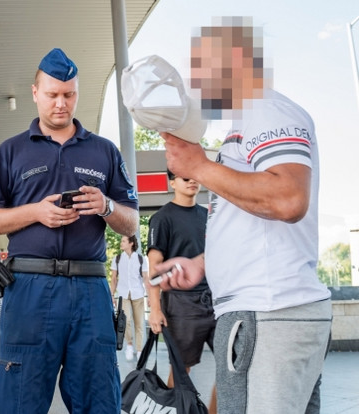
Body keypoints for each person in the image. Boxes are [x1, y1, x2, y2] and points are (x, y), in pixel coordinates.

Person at [156, 17, 332, 414]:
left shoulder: (266, 110)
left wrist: (198, 166)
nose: (195, 80)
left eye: (201, 67)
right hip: (270, 313)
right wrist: (204, 264)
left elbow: (288, 198)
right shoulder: (248, 122)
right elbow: (256, 215)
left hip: (270, 313)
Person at [0, 48, 139, 413]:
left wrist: (107, 207)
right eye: (52, 95)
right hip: (29, 290)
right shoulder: (11, 152)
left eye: (69, 95)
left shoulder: (105, 152)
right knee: (19, 402)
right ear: (35, 93)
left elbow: (132, 222)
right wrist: (36, 212)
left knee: (100, 400)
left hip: (90, 290)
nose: (61, 104)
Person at [147, 169, 217, 411]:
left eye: (195, 175)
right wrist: (155, 310)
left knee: (232, 367)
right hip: (181, 305)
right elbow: (154, 270)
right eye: (185, 177)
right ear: (172, 182)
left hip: (216, 301)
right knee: (181, 370)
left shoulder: (209, 216)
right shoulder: (162, 218)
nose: (192, 180)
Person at [109, 234, 148, 362]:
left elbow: (146, 279)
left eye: (124, 241)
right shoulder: (117, 259)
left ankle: (139, 349)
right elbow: (114, 279)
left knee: (139, 323)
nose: (121, 243)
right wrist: (111, 295)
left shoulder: (141, 259)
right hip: (123, 294)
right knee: (126, 321)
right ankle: (129, 345)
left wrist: (151, 297)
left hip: (138, 294)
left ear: (131, 243)